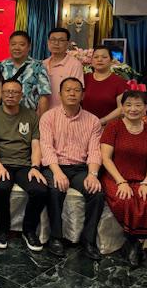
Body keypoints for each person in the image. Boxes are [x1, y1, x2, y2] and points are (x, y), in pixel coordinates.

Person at [40, 77, 104, 260]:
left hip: (80, 169)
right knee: (54, 190)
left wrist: (92, 174)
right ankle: (55, 237)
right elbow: (46, 148)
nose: (72, 93)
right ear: (60, 94)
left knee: (97, 193)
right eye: (67, 90)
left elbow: (94, 151)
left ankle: (88, 241)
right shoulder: (48, 117)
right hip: (55, 166)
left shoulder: (93, 121)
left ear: (83, 95)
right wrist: (57, 172)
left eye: (76, 90)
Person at [100, 90, 147, 267]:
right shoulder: (113, 127)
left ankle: (136, 243)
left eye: (138, 105)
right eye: (128, 105)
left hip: (140, 178)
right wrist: (121, 181)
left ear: (145, 108)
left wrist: (146, 183)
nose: (133, 109)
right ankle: (132, 241)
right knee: (125, 200)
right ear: (122, 107)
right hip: (115, 177)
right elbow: (106, 158)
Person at [0, 79, 48, 251]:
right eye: (7, 91)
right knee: (0, 188)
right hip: (2, 164)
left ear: (21, 95)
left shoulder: (31, 115)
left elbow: (36, 144)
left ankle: (29, 230)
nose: (10, 95)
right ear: (1, 94)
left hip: (25, 165)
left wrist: (35, 167)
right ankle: (2, 231)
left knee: (40, 190)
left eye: (15, 92)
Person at [0, 31, 51, 117]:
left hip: (29, 117)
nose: (17, 48)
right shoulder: (0, 66)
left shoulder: (38, 66)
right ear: (9, 46)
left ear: (29, 47)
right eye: (13, 44)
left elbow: (44, 96)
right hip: (4, 117)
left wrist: (41, 120)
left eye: (22, 44)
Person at [82, 46, 128, 126]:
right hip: (83, 125)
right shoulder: (84, 78)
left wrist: (101, 122)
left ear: (111, 61)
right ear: (91, 61)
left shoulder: (119, 82)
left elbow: (121, 108)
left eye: (104, 57)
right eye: (96, 57)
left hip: (108, 127)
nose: (99, 60)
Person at [42, 28, 84, 109]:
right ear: (48, 42)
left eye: (61, 40)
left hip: (64, 112)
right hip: (43, 112)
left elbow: (76, 92)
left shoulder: (74, 65)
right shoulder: (43, 64)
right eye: (53, 40)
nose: (56, 43)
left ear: (67, 44)